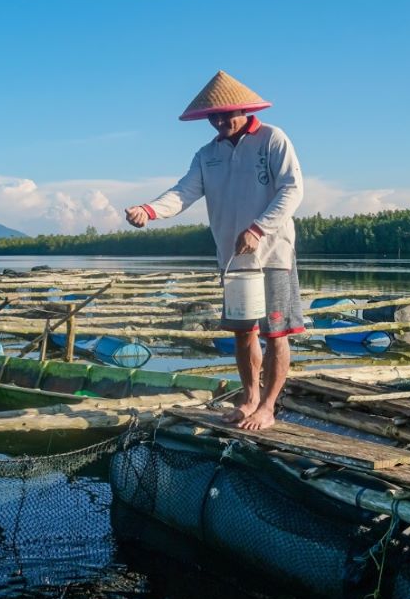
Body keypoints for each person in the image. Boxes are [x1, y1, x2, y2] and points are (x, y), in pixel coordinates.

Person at [125, 71, 304, 430]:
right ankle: (249, 397)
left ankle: (268, 406)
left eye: (227, 114)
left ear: (244, 110)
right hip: (233, 260)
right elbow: (183, 192)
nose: (221, 122)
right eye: (214, 116)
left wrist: (258, 228)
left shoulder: (272, 139)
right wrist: (149, 210)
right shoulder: (207, 154)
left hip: (272, 255)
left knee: (276, 333)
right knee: (243, 332)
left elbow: (292, 189)